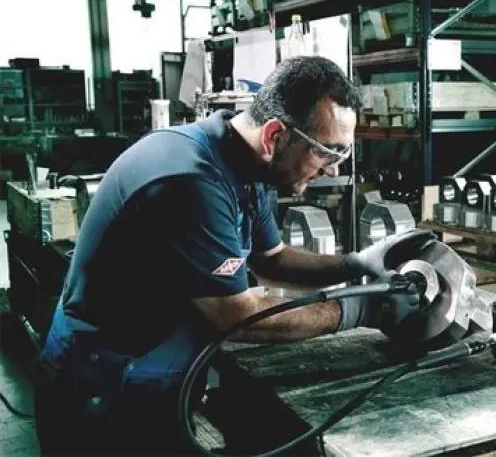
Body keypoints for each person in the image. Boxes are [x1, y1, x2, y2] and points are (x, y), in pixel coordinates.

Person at [34, 56, 435, 455]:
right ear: (275, 135)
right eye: (326, 152)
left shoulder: (245, 165)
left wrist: (356, 264)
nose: (332, 170)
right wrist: (359, 312)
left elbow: (272, 260)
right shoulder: (190, 180)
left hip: (155, 368)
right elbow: (236, 317)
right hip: (101, 383)